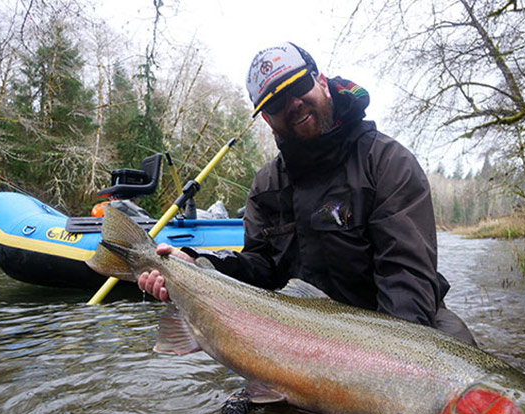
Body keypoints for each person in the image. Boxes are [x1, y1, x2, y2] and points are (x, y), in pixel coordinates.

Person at [138, 42, 475, 345]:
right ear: (268, 121)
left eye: (299, 86)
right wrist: (198, 264)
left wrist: (388, 364)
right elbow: (261, 268)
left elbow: (407, 277)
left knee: (466, 376)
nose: (294, 104)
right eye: (276, 103)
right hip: (300, 332)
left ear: (322, 82)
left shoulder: (387, 162)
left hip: (397, 326)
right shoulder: (266, 184)